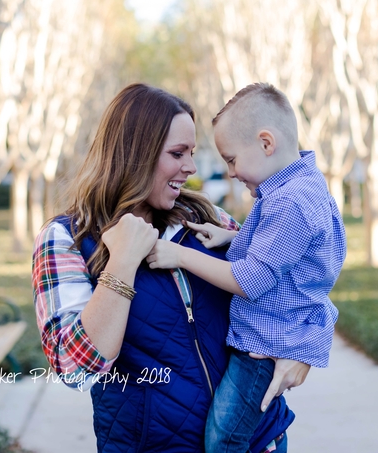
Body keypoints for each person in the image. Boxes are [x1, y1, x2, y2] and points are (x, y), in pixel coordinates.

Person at [32, 83, 310, 453]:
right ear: (135, 155)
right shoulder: (67, 238)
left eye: (192, 153)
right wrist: (122, 263)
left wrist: (304, 348)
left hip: (259, 441)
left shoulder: (206, 218)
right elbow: (75, 369)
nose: (191, 167)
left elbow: (294, 278)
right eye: (177, 153)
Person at [146, 82, 347, 452]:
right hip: (268, 340)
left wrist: (180, 256)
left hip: (261, 349)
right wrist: (230, 240)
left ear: (266, 143)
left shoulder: (291, 202)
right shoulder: (298, 187)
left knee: (225, 438)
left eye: (232, 159)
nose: (232, 172)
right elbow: (286, 256)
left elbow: (249, 280)